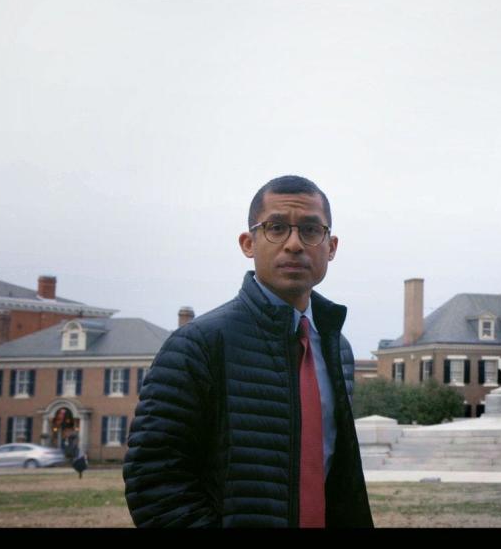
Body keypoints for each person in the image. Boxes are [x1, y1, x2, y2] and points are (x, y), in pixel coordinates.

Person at [123, 176, 373, 527]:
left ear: (330, 247)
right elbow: (153, 479)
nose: (294, 244)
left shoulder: (337, 349)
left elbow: (335, 476)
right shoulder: (199, 345)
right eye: (276, 228)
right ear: (247, 243)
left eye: (310, 230)